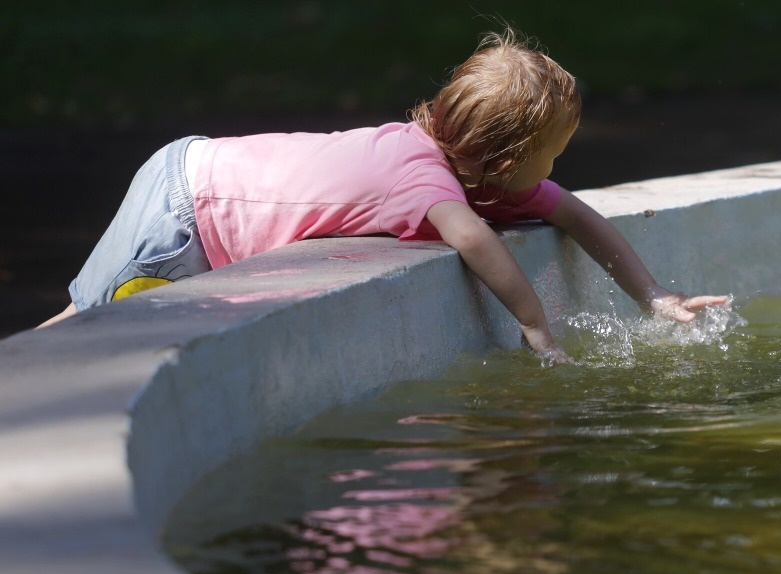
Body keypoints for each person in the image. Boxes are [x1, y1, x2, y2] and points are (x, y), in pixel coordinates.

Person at [38, 30, 727, 363]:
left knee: (102, 328)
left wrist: (654, 295)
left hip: (206, 185)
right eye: (555, 155)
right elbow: (472, 241)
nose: (557, 171)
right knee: (88, 321)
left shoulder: (480, 174)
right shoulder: (423, 179)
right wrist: (536, 327)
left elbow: (576, 214)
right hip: (188, 204)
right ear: (508, 161)